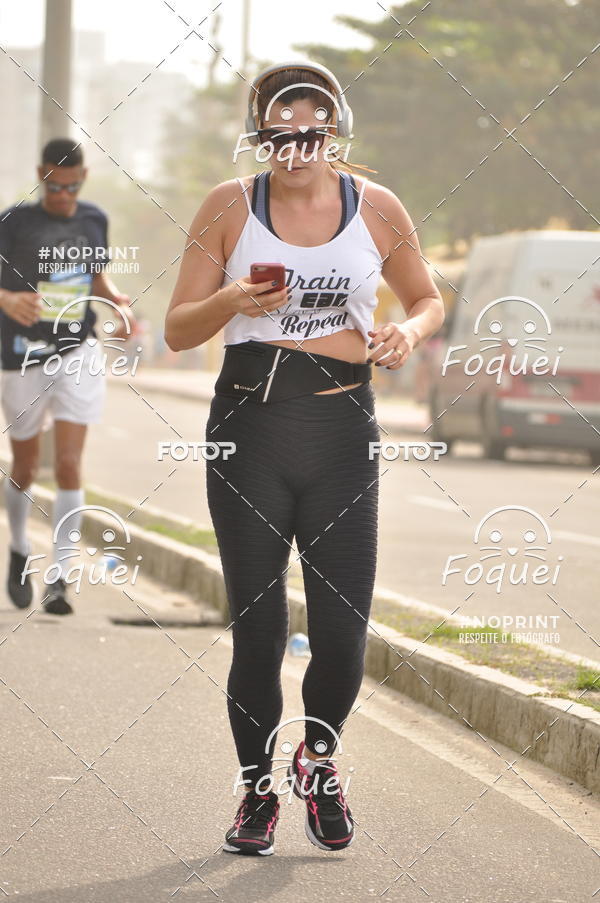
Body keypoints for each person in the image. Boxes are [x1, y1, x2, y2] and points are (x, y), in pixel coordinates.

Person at [165, 61, 445, 856]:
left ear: (334, 132)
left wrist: (407, 332)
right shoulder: (228, 206)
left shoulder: (376, 208)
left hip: (342, 432)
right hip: (249, 432)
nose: (297, 149)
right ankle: (256, 790)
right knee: (258, 632)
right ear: (259, 139)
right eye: (280, 135)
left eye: (312, 133)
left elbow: (426, 298)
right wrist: (233, 300)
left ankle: (317, 761)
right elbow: (179, 328)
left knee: (344, 630)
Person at [0, 138, 134, 615]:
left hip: (79, 348)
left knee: (71, 463)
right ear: (41, 175)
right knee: (26, 464)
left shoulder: (93, 219)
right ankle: (18, 545)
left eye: (71, 187)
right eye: (55, 186)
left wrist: (117, 301)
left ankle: (59, 575)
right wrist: (7, 299)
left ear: (83, 179)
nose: (63, 195)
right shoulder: (14, 221)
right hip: (22, 353)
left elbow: (95, 276)